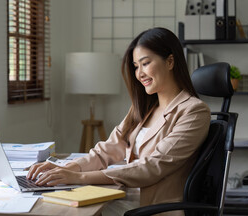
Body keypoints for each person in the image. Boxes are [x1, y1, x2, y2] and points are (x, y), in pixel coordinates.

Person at [27, 27, 210, 214]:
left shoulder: (193, 111)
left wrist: (79, 177)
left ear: (170, 61)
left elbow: (153, 167)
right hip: (123, 195)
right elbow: (108, 149)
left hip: (150, 206)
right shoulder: (144, 107)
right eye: (136, 66)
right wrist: (66, 168)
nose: (139, 74)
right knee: (46, 204)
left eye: (145, 63)